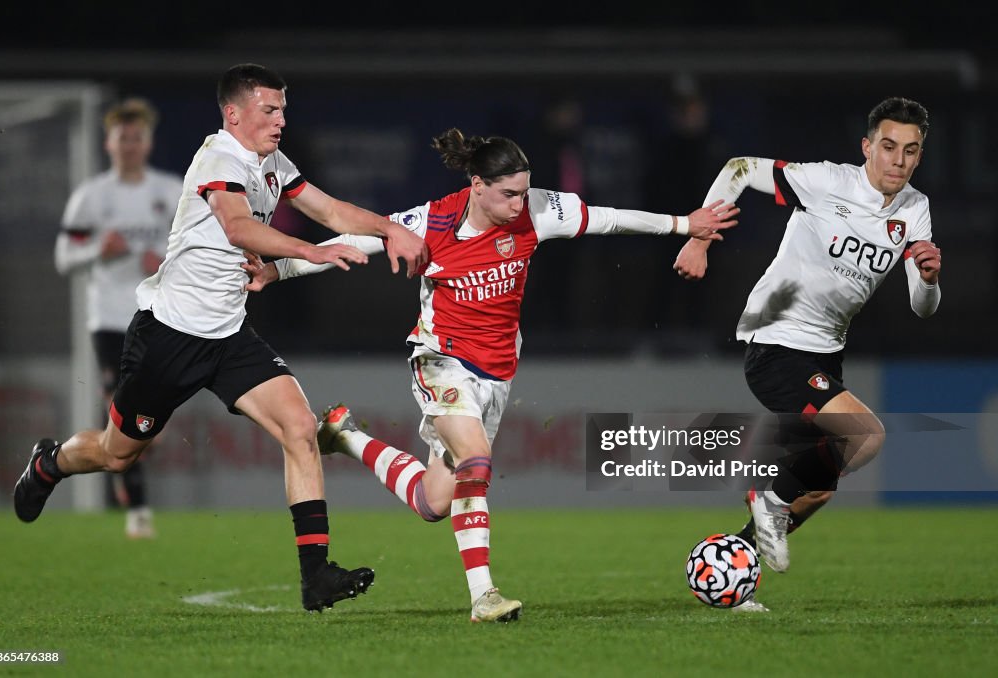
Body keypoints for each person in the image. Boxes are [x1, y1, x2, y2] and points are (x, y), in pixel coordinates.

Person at [243, 128, 739, 622]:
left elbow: (608, 220)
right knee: (476, 460)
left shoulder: (539, 210)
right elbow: (354, 242)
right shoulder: (431, 222)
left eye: (524, 192)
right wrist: (279, 271)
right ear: (477, 185)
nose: (519, 204)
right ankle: (484, 596)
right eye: (508, 194)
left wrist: (683, 225)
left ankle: (346, 437)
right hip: (439, 357)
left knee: (433, 502)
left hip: (496, 373)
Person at [14, 63, 428, 613]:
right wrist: (312, 250)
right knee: (118, 456)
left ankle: (316, 577)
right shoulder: (218, 158)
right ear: (233, 114)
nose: (281, 120)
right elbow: (238, 226)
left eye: (283, 109)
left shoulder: (273, 163)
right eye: (269, 110)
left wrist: (390, 228)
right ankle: (50, 463)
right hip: (169, 336)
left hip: (230, 336)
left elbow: (328, 210)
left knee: (301, 428)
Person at [673, 97, 941, 611]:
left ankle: (737, 572)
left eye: (910, 151)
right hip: (776, 341)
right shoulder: (828, 182)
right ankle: (767, 497)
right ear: (867, 147)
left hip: (824, 354)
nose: (897, 161)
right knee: (866, 436)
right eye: (887, 147)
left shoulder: (915, 210)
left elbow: (922, 306)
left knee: (816, 490)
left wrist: (928, 278)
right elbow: (740, 169)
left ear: (919, 156)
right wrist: (701, 237)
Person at [55, 97, 181, 539]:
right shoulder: (92, 197)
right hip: (109, 319)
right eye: (122, 137)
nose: (129, 145)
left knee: (147, 421)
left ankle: (123, 478)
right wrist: (95, 251)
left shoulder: (170, 192)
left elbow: (195, 250)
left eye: (137, 137)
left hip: (158, 316)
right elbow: (64, 256)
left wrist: (162, 260)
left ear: (147, 143)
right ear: (109, 143)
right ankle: (139, 511)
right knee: (121, 406)